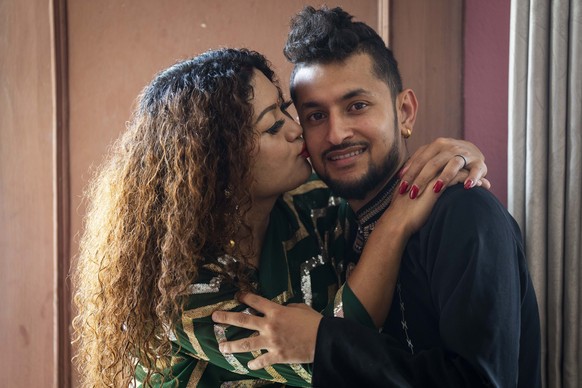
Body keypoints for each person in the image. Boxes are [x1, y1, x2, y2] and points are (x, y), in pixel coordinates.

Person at [71, 48, 487, 387]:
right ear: (219, 166)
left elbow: (381, 187)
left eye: (286, 111)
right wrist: (397, 223)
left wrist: (457, 159)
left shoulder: (314, 204)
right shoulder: (179, 284)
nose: (297, 130)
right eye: (273, 127)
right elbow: (334, 355)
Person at [212, 6, 541, 388]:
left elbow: (482, 381)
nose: (337, 134)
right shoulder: (331, 224)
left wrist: (323, 342)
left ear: (405, 112)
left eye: (357, 106)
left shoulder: (465, 213)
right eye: (316, 116)